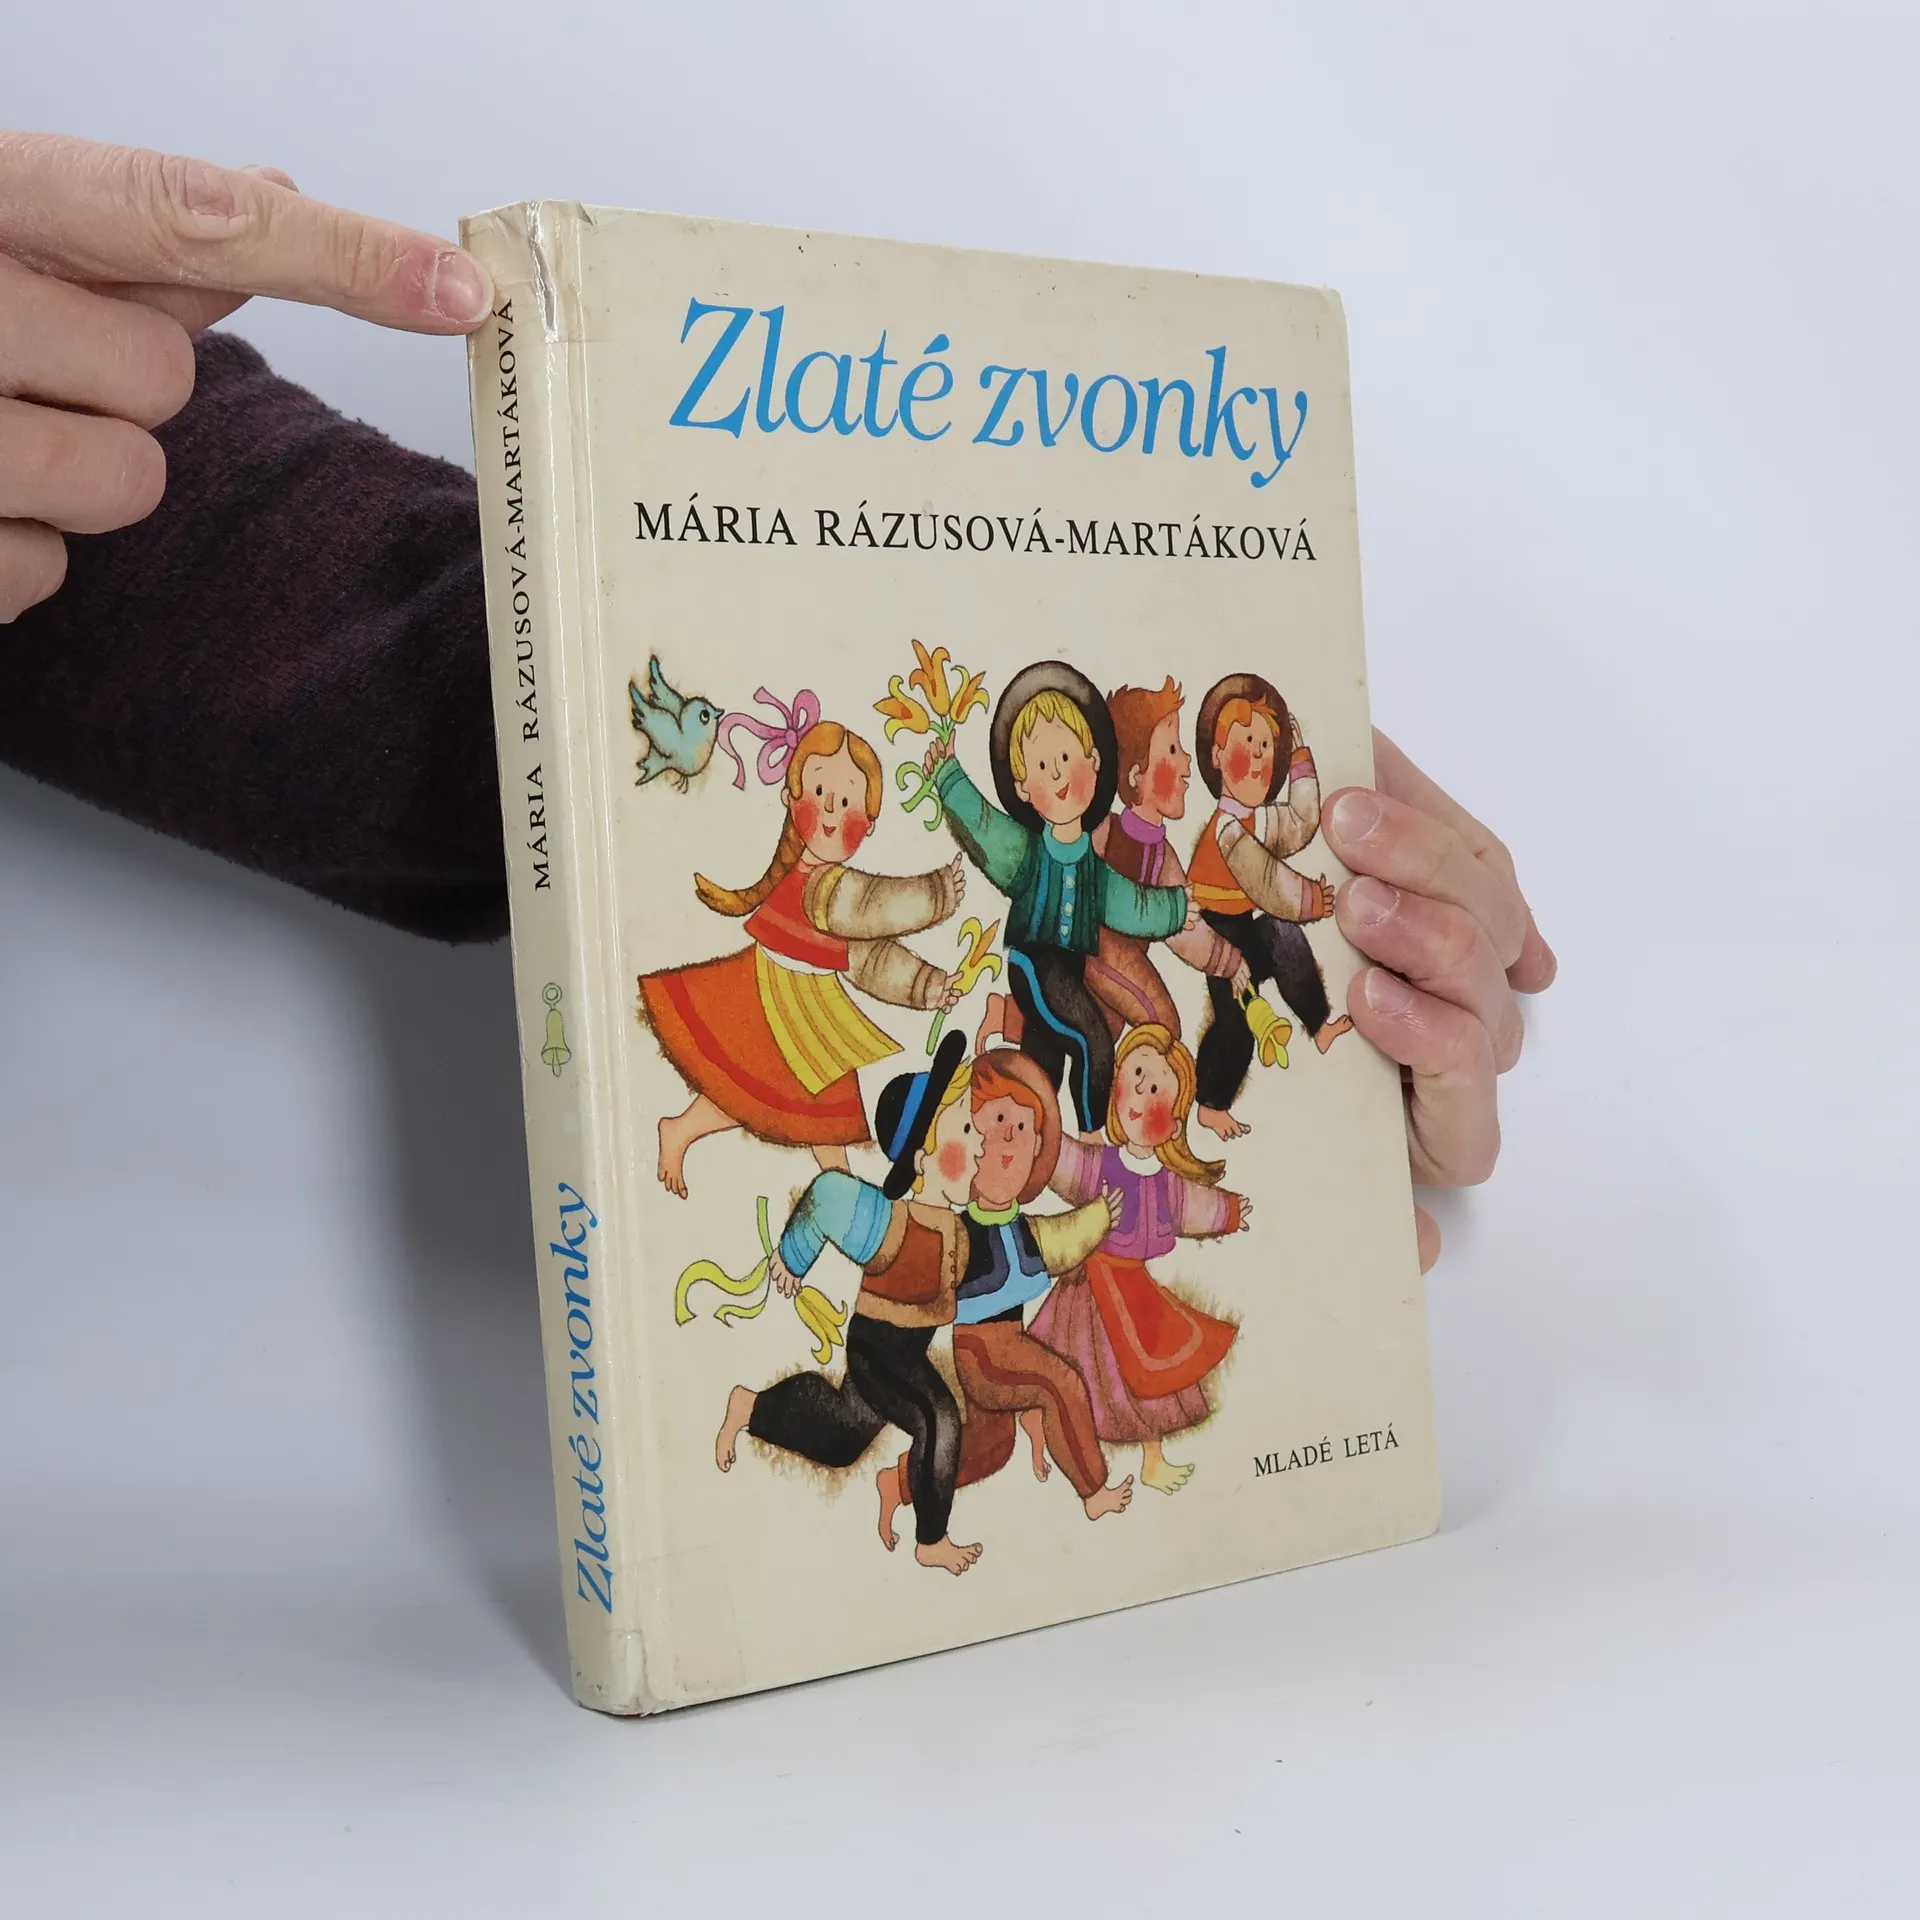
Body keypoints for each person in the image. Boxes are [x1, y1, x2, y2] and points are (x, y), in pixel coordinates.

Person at [0, 128, 1557, 1275]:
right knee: (992, 1079)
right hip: (968, 998)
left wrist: (1299, 880)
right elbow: (954, 849)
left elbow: (279, 598)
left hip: (1070, 981)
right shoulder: (958, 851)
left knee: (1112, 1052)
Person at [635, 718, 965, 1198]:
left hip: (809, 1000)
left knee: (786, 1096)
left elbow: (869, 960)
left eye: (847, 802)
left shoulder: (825, 882)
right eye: (821, 792)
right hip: (777, 993)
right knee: (774, 1090)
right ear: (792, 798)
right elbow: (874, 906)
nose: (831, 808)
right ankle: (693, 1133)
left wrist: (926, 984)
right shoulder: (827, 888)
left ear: (868, 825)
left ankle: (693, 1133)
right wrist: (936, 894)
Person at [712, 1032, 984, 1576]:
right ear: (923, 1154)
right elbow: (830, 1194)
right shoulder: (892, 1222)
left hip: (904, 1353)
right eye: (966, 1130)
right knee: (939, 1418)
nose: (979, 1146)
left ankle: (751, 1407)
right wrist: (793, 1257)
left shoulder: (954, 1229)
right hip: (877, 1350)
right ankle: (930, 1540)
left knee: (842, 1435)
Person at [882, 1047, 1134, 1542]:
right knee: (1060, 1383)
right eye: (995, 1123)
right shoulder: (956, 1228)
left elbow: (1060, 1240)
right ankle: (1093, 1491)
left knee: (990, 1447)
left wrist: (1099, 1217)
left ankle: (899, 1484)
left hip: (1008, 1340)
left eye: (1022, 1128)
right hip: (982, 1348)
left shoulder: (1021, 1226)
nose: (1008, 1142)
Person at [1030, 1024, 1248, 1494]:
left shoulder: (1165, 1181)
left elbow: (1191, 1207)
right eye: (1135, 1077)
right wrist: (1037, 1132)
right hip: (1089, 1286)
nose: (1140, 1095)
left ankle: (1151, 1458)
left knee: (1148, 1370)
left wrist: (1228, 1211)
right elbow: (1061, 1160)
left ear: (1174, 1124)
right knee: (1082, 1367)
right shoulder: (1099, 1163)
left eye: (1155, 1091)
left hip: (1134, 1288)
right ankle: (1046, 1430)